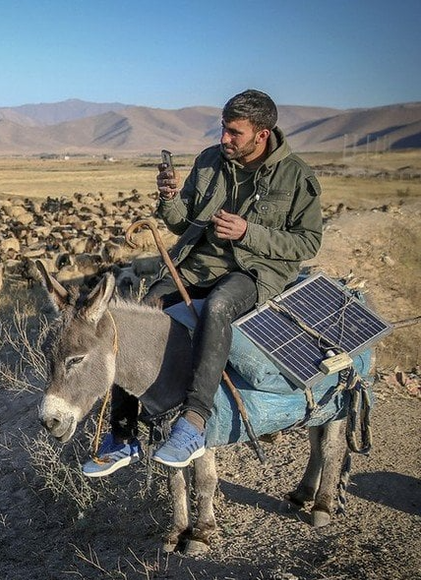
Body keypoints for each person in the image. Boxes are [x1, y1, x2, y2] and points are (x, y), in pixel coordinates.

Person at [84, 89, 323, 476]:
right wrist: (170, 199)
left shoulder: (296, 176)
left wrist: (249, 232)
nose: (224, 139)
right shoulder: (210, 161)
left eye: (234, 133)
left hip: (255, 271)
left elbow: (309, 242)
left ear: (262, 135)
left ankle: (193, 422)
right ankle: (123, 435)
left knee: (218, 307)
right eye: (223, 129)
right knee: (135, 319)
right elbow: (182, 223)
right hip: (198, 265)